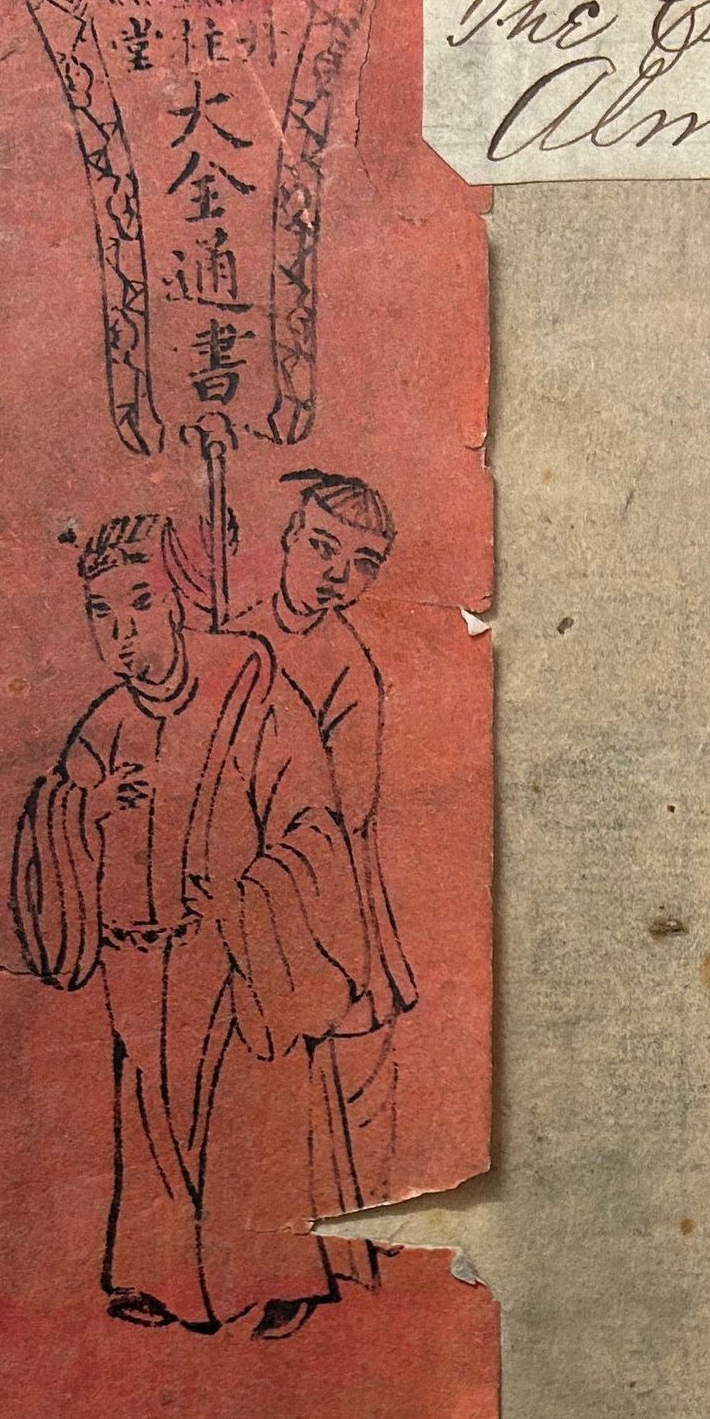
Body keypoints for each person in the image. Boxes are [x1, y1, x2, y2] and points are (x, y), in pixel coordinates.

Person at [10, 513, 379, 1340]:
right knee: (153, 1119)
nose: (123, 631)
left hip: (238, 950)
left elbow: (311, 824)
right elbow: (53, 826)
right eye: (102, 613)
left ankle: (280, 1277)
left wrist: (250, 896)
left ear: (178, 601)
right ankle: (159, 1277)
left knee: (252, 1114)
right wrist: (84, 811)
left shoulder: (255, 694)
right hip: (137, 960)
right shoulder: (104, 724)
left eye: (140, 602)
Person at [231, 470, 417, 1231]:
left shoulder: (350, 670)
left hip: (330, 905)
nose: (337, 573)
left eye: (362, 562)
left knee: (354, 1094)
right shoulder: (231, 640)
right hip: (241, 908)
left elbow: (347, 810)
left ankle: (364, 1251)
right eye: (321, 546)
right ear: (288, 539)